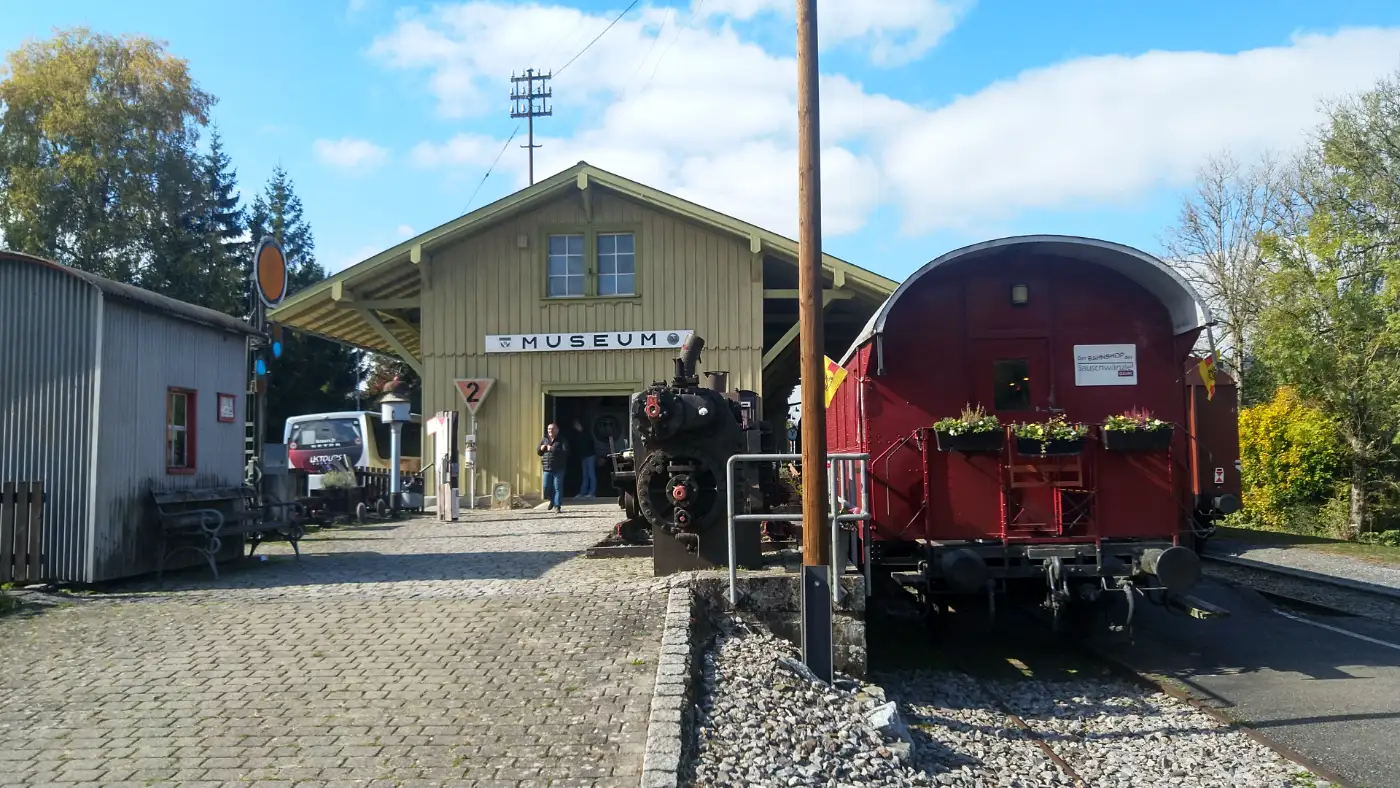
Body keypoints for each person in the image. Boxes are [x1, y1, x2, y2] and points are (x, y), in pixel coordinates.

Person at [538, 423, 568, 512]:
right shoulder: (544, 439)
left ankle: (557, 506)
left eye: (552, 429)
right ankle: (552, 500)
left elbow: (566, 452)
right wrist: (541, 448)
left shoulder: (562, 440)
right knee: (546, 487)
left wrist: (552, 449)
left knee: (557, 487)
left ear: (557, 430)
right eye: (548, 429)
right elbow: (539, 452)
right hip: (547, 468)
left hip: (559, 468)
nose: (550, 431)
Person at [573, 418, 597, 498]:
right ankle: (583, 492)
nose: (575, 426)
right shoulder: (578, 434)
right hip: (584, 456)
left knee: (591, 474)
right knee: (585, 475)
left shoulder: (586, 433)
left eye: (576, 424)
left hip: (590, 455)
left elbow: (590, 444)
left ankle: (592, 492)